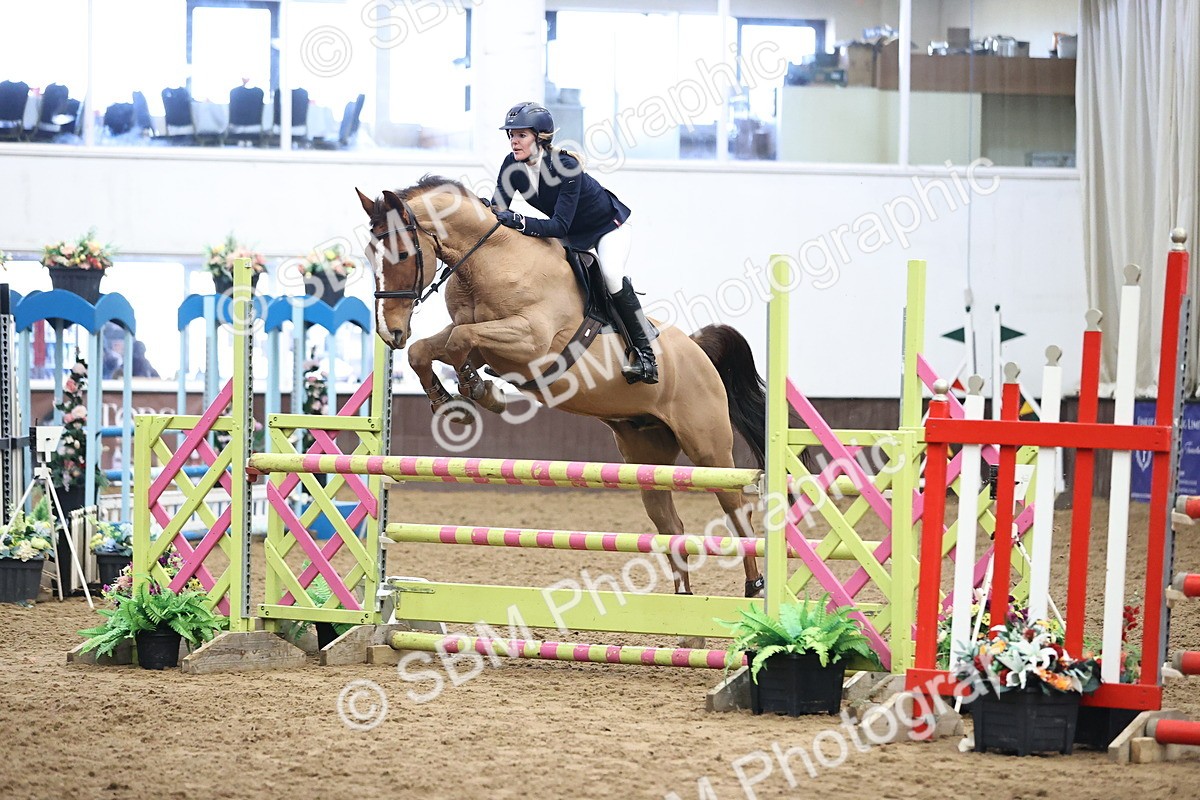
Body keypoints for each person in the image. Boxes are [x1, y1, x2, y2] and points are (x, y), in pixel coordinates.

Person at [490, 101, 658, 384]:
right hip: (572, 235)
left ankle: (646, 356)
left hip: (606, 227)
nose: (513, 141)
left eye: (521, 135)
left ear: (540, 137)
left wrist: (518, 221)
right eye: (511, 135)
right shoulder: (512, 165)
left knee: (611, 275)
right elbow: (497, 209)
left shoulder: (566, 166)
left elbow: (558, 226)